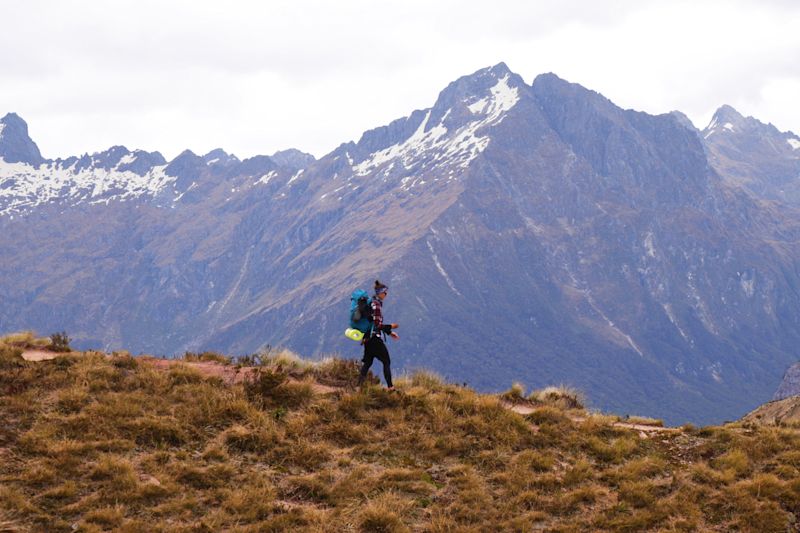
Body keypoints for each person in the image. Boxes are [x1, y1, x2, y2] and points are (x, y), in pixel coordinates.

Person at [358, 280, 399, 390]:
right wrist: (390, 327)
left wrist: (390, 332)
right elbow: (377, 325)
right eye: (385, 292)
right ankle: (390, 387)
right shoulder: (376, 305)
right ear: (380, 293)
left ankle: (359, 387)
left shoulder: (371, 304)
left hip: (367, 338)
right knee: (386, 361)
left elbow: (374, 324)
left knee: (368, 362)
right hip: (374, 338)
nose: (386, 295)